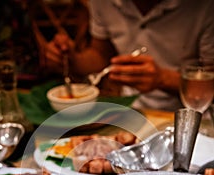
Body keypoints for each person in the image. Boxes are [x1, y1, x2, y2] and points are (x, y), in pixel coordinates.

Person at [43, 0, 214, 111]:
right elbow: (101, 55)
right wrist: (72, 59)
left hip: (194, 116)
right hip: (129, 112)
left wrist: (162, 79)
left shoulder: (204, 7)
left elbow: (210, 85)